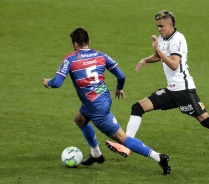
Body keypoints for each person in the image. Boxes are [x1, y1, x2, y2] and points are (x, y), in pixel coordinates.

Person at [106, 10, 209, 164]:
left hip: (184, 90)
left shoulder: (178, 39)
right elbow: (159, 56)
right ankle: (127, 146)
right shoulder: (163, 38)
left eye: (161, 26)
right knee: (138, 107)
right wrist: (146, 59)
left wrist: (157, 50)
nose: (159, 29)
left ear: (170, 25)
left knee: (205, 120)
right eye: (157, 26)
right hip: (171, 90)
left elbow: (174, 64)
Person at [42, 28, 171, 175]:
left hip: (95, 107)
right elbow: (121, 76)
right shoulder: (100, 55)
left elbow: (57, 83)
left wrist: (47, 82)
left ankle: (159, 157)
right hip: (103, 98)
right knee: (80, 120)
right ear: (87, 41)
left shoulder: (70, 59)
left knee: (123, 139)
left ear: (75, 43)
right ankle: (96, 154)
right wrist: (119, 88)